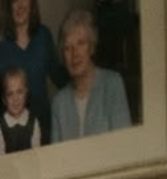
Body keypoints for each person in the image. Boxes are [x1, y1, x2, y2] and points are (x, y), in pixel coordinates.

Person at [0, 0, 65, 139]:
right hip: (15, 136)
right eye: (14, 0)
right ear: (8, 6)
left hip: (45, 128)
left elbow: (60, 77)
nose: (20, 5)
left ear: (32, 0)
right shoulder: (0, 50)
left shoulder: (44, 35)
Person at [51, 9, 133, 142]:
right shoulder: (58, 103)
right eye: (67, 48)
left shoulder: (112, 84)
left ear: (92, 47)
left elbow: (125, 146)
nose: (74, 54)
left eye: (81, 43)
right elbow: (57, 160)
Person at [0, 66, 43, 154]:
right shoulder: (1, 125)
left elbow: (37, 153)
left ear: (26, 93)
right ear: (4, 100)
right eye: (10, 94)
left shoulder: (33, 122)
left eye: (19, 92)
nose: (15, 99)